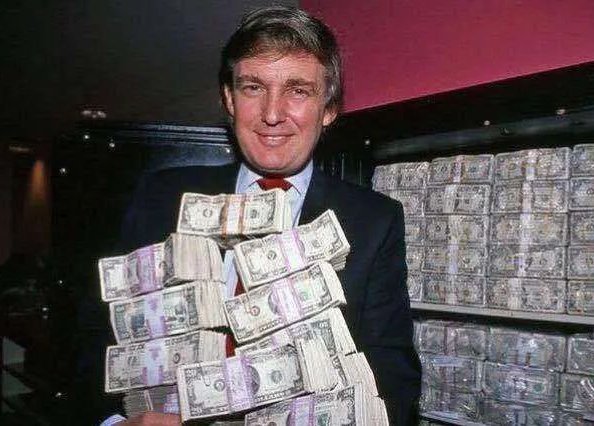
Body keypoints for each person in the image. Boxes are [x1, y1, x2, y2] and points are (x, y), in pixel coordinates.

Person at [89, 6, 421, 426]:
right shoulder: (162, 197)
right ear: (229, 99)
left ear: (328, 109)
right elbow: (100, 340)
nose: (272, 113)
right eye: (253, 87)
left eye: (298, 90)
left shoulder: (373, 221)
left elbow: (393, 377)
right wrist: (117, 423)